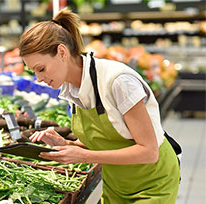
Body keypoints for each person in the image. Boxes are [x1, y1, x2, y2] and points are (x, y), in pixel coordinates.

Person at [19, 8, 180, 204]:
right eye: (33, 72)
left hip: (153, 184)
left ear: (61, 52)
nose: (39, 79)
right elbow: (110, 142)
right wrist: (67, 145)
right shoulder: (72, 88)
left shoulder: (118, 81)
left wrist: (84, 156)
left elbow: (149, 151)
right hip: (116, 185)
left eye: (41, 69)